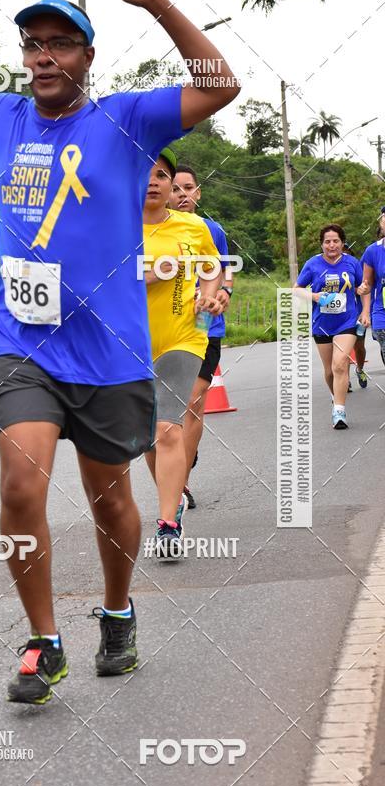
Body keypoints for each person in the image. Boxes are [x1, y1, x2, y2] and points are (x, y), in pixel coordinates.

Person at [0, 0, 239, 704]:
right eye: (33, 44)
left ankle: (118, 612)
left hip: (110, 351)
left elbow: (220, 86)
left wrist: (160, 5)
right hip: (21, 341)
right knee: (22, 483)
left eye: (61, 43)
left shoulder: (127, 120)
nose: (44, 56)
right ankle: (44, 640)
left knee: (110, 499)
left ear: (87, 57)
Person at [142, 148, 221, 558]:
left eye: (162, 175)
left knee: (166, 429)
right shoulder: (111, 227)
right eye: (145, 173)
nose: (153, 180)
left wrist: (209, 298)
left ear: (172, 185)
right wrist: (151, 274)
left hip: (184, 338)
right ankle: (170, 498)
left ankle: (168, 524)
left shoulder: (193, 226)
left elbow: (213, 267)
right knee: (145, 440)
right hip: (127, 343)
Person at [168, 164, 232, 509]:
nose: (181, 195)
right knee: (167, 412)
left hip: (204, 326)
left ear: (198, 193)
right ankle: (178, 461)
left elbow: (225, 272)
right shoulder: (152, 229)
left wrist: (224, 294)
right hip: (163, 328)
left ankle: (181, 484)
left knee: (193, 402)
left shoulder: (212, 230)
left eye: (187, 188)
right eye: (175, 189)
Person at [294, 224, 370, 430]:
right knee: (329, 371)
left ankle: (339, 410)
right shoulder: (313, 264)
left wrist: (364, 307)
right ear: (322, 244)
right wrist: (314, 296)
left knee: (340, 363)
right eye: (327, 241)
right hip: (322, 324)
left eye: (335, 241)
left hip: (346, 322)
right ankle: (335, 393)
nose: (331, 245)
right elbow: (297, 289)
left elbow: (362, 288)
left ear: (342, 243)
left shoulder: (352, 262)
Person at [359, 210, 385, 368]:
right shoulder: (372, 251)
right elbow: (367, 283)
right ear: (382, 225)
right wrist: (365, 312)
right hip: (381, 311)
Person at [343, 243, 368, 389]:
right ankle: (344, 379)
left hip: (357, 314)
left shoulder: (355, 268)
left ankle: (360, 369)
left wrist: (365, 312)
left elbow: (366, 290)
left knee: (359, 347)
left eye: (346, 253)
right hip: (341, 317)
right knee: (344, 350)